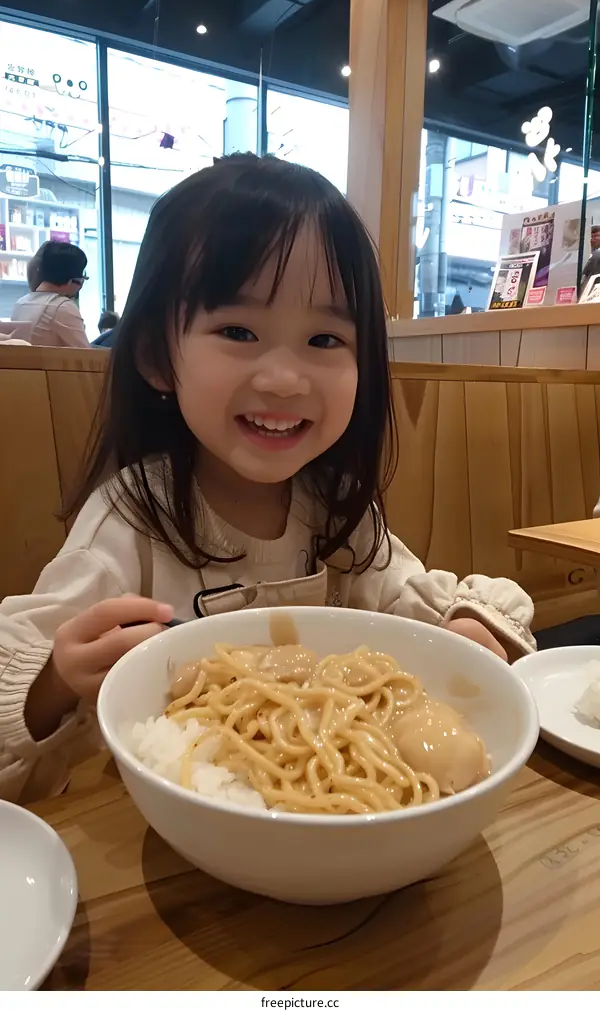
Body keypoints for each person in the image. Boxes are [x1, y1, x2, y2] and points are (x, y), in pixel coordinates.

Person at [0, 154, 535, 803]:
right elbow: (27, 694)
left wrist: (466, 631)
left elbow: (415, 604)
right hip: (171, 832)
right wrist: (56, 679)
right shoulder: (129, 521)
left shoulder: (337, 510)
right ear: (155, 357)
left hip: (346, 826)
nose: (284, 377)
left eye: (325, 340)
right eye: (239, 330)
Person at [13, 241, 90, 347]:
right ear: (73, 281)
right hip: (47, 363)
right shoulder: (62, 307)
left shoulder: (20, 303)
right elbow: (86, 357)